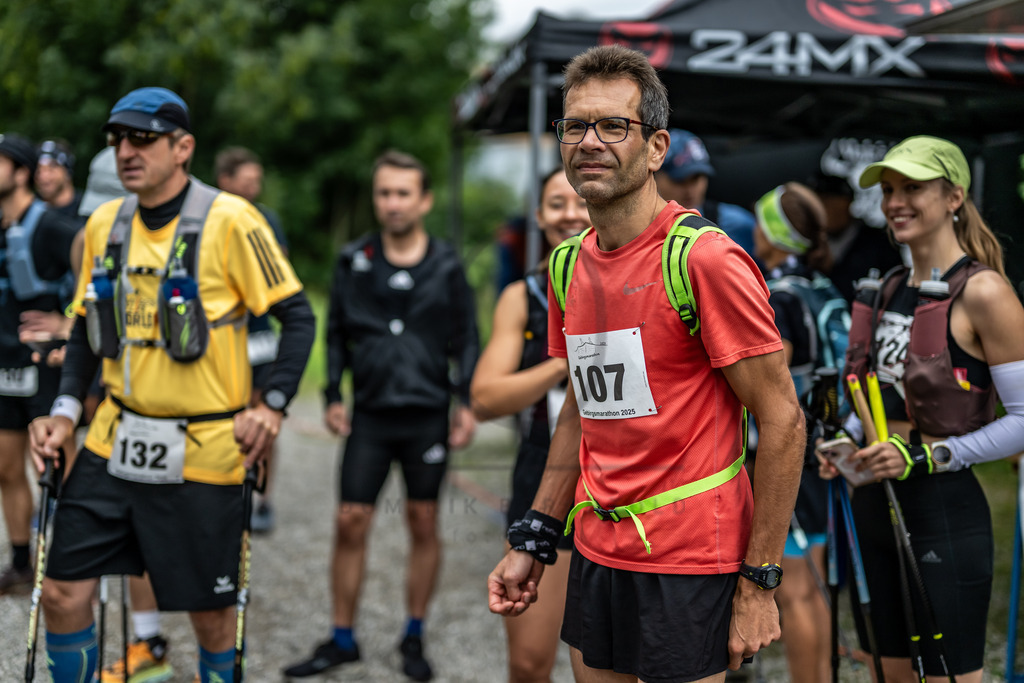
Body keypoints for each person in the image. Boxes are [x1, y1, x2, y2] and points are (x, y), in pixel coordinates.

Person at [487, 45, 805, 683]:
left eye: (614, 126)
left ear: (656, 148)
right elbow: (580, 415)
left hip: (690, 559)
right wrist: (535, 536)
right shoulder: (567, 264)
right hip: (598, 549)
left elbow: (783, 421)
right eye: (575, 126)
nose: (590, 142)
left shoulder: (705, 261)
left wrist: (760, 583)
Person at [27, 86, 315, 683]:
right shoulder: (105, 223)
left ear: (183, 148)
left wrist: (274, 406)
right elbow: (84, 325)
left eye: (143, 138)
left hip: (205, 447)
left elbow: (298, 317)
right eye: (117, 139)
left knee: (210, 615)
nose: (126, 150)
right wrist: (62, 409)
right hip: (113, 437)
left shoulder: (233, 219)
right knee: (60, 592)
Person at [829, 135, 1024, 683]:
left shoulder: (983, 292)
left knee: (947, 676)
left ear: (954, 196)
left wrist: (932, 456)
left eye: (913, 187)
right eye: (889, 189)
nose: (895, 202)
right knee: (888, 671)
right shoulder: (888, 287)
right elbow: (879, 393)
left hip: (942, 507)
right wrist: (847, 441)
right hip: (873, 500)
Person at [284, 150, 479, 681]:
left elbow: (467, 337)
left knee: (422, 520)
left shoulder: (446, 264)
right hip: (369, 414)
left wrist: (467, 402)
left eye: (402, 193)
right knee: (351, 520)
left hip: (426, 416)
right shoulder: (354, 259)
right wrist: (330, 394)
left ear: (424, 200)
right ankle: (342, 637)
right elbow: (337, 332)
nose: (392, 203)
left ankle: (413, 634)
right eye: (384, 193)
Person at [471, 167, 586, 682]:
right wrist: (565, 362)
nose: (571, 213)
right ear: (539, 216)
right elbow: (484, 398)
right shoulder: (525, 295)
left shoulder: (638, 277)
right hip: (545, 467)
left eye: (579, 200)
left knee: (601, 663)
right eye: (556, 203)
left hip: (621, 480)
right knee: (528, 661)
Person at [751, 182, 840, 683]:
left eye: (760, 223)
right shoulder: (821, 286)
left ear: (775, 233)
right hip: (824, 452)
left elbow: (771, 378)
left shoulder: (779, 295)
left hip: (790, 457)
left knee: (795, 589)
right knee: (815, 584)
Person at [0, 133, 80, 595]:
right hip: (5, 362)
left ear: (21, 171)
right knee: (7, 469)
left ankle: (69, 560)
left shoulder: (49, 224)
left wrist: (71, 323)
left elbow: (97, 258)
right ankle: (19, 562)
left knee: (55, 468)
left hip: (43, 364)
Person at [215, 145, 288, 534]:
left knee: (263, 417)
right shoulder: (208, 217)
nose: (255, 185)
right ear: (225, 180)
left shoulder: (267, 219)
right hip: (221, 339)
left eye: (258, 179)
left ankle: (262, 498)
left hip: (259, 336)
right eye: (248, 179)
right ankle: (225, 491)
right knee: (225, 416)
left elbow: (279, 277)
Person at [654, 128, 757, 257]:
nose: (689, 190)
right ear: (655, 175)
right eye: (679, 180)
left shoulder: (739, 224)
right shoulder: (635, 227)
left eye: (696, 178)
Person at [809, 171, 903, 303]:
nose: (824, 209)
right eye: (817, 203)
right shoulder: (808, 243)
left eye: (829, 201)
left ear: (847, 201)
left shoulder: (879, 243)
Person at [35, 138, 85, 226]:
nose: (43, 176)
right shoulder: (31, 211)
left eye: (52, 167)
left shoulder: (86, 208)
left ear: (67, 172)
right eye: (38, 169)